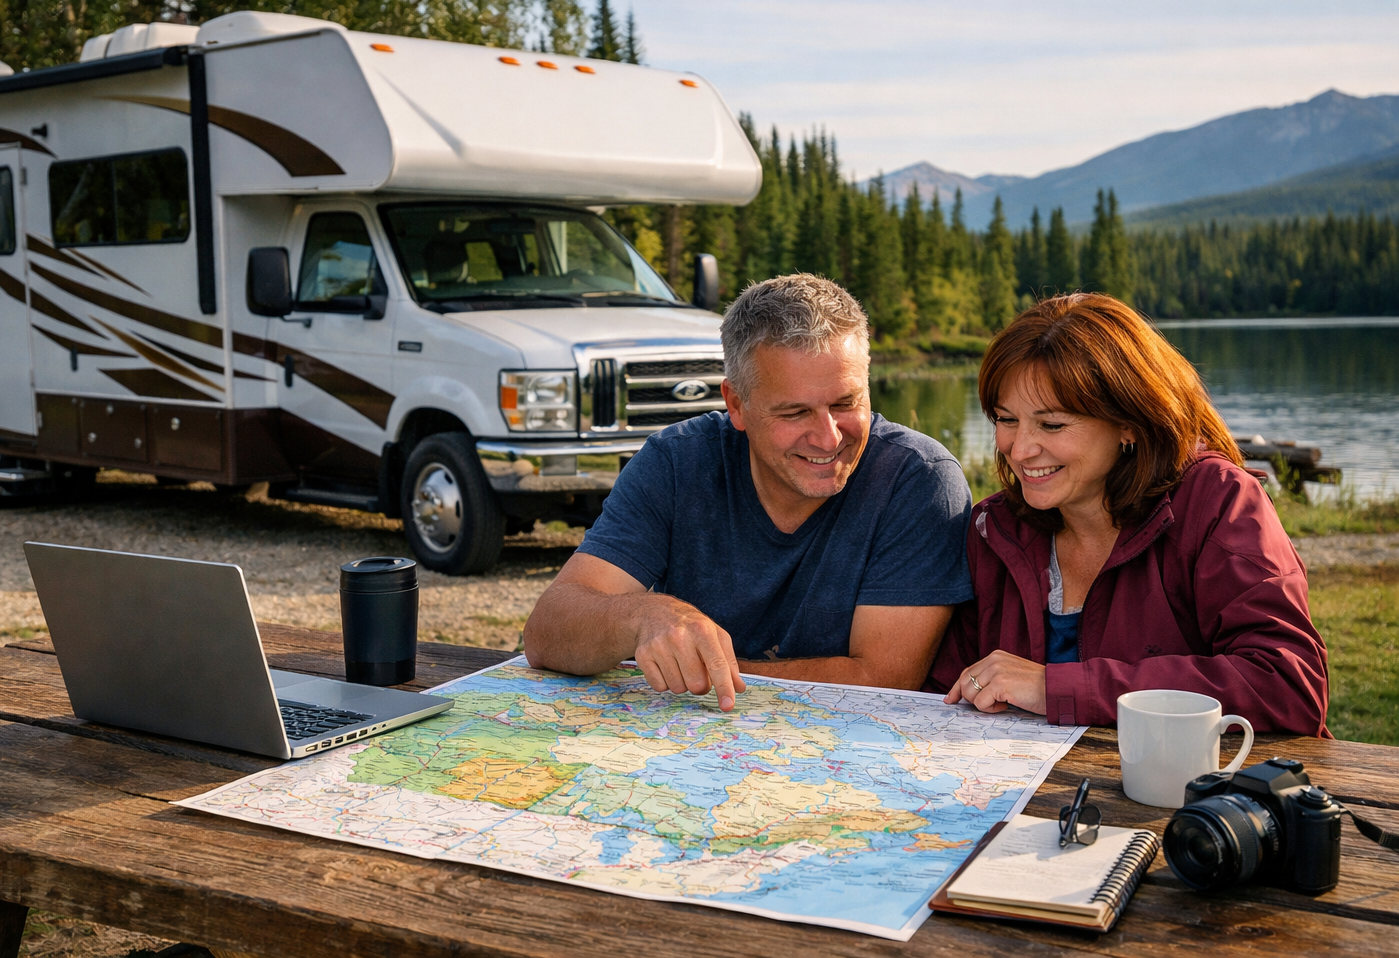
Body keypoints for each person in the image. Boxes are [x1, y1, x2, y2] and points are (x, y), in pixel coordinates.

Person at [523, 273, 973, 710]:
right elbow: (547, 632)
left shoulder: (920, 480)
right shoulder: (676, 462)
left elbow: (882, 681)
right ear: (736, 404)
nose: (829, 437)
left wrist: (705, 669)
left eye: (845, 403)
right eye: (795, 412)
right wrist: (644, 617)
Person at [924, 293, 1329, 735]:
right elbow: (941, 692)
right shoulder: (993, 530)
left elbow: (1289, 684)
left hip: (1194, 795)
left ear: (1129, 423)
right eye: (1006, 419)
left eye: (1053, 424)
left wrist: (1056, 687)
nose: (1020, 450)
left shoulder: (1219, 502)